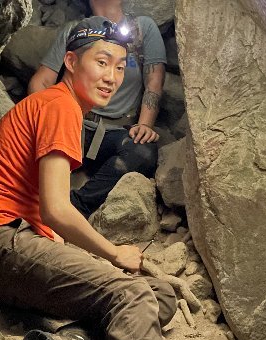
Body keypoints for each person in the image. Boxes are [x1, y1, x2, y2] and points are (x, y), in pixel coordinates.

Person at [0, 16, 183, 340]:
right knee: (130, 295)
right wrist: (114, 253)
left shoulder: (64, 108)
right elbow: (56, 210)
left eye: (119, 66)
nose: (112, 76)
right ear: (70, 61)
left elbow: (49, 219)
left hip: (16, 242)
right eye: (101, 62)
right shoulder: (58, 105)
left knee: (157, 294)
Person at [29, 0, 166, 219]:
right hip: (74, 124)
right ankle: (26, 203)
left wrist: (144, 125)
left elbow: (154, 82)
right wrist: (48, 119)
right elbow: (42, 82)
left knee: (142, 151)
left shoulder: (142, 29)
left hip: (116, 130)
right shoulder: (76, 32)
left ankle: (76, 206)